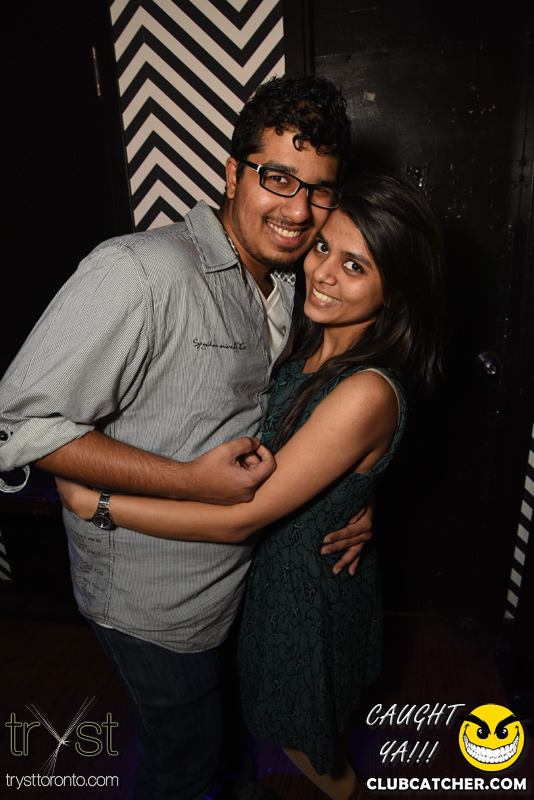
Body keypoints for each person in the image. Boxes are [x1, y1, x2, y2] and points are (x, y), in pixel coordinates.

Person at [0, 75, 371, 800]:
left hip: (237, 587)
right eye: (277, 178)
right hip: (154, 603)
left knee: (224, 740)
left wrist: (356, 494)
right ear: (232, 173)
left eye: (319, 190)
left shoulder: (292, 283)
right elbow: (19, 423)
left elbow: (319, 415)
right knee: (182, 765)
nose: (299, 210)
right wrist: (188, 482)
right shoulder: (140, 273)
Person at [57, 173, 444, 800]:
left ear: (395, 292)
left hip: (304, 598)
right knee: (256, 722)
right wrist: (359, 492)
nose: (323, 274)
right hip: (262, 583)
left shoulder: (366, 389)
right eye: (324, 248)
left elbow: (242, 516)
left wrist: (99, 504)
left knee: (308, 750)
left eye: (355, 266)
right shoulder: (309, 339)